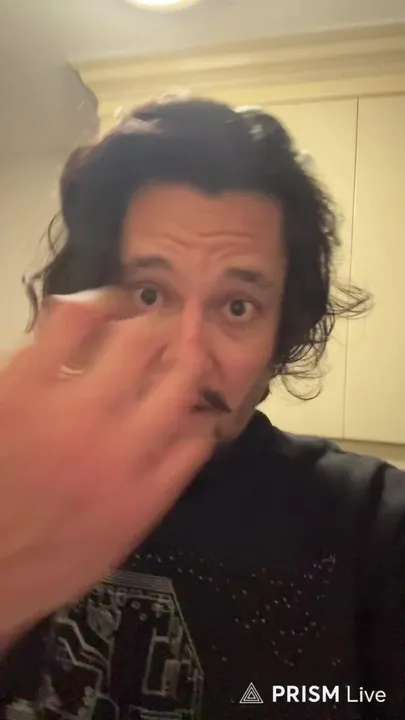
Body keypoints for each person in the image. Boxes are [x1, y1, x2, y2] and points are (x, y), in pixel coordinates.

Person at [0, 95, 404, 720]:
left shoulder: (376, 529)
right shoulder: (15, 486)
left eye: (237, 306)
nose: (186, 360)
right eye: (149, 293)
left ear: (280, 336)